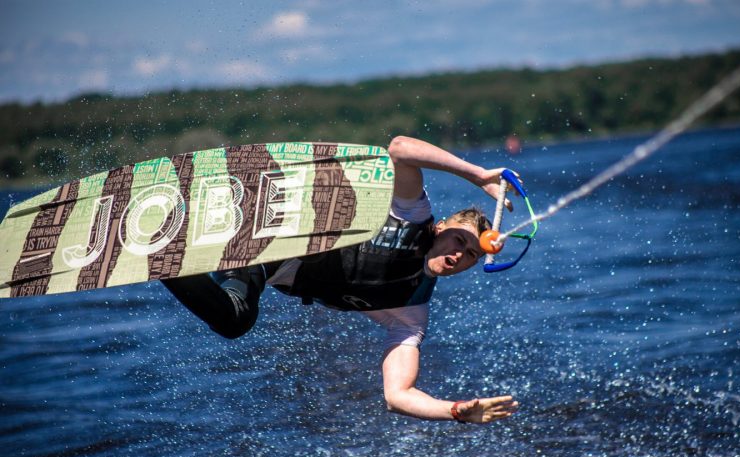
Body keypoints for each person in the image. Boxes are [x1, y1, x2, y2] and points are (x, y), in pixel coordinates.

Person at [162, 136, 519, 424]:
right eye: (459, 240)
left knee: (234, 320)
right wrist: (478, 175)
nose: (460, 254)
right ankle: (197, 217)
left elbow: (397, 396)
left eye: (472, 255)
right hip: (273, 222)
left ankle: (164, 255)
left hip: (259, 264)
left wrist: (454, 410)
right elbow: (399, 149)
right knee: (237, 318)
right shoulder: (412, 214)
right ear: (441, 227)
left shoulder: (410, 312)